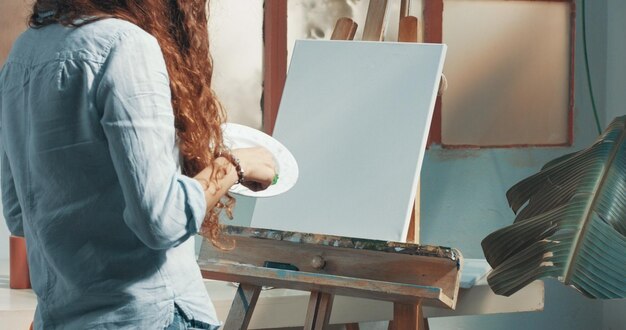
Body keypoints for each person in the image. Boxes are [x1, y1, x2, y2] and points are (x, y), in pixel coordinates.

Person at [0, 0, 277, 329]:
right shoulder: (125, 45)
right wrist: (233, 165)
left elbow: (18, 214)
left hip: (62, 318)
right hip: (148, 316)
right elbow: (160, 220)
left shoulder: (26, 50)